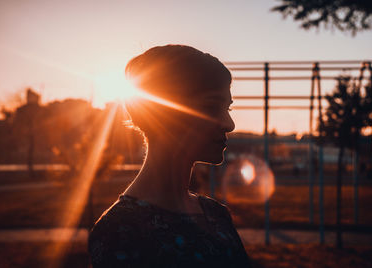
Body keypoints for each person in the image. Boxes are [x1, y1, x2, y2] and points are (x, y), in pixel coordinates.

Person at [88, 45, 251, 267]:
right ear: (161, 114)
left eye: (228, 109)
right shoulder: (120, 230)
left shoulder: (216, 213)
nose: (229, 124)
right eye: (212, 107)